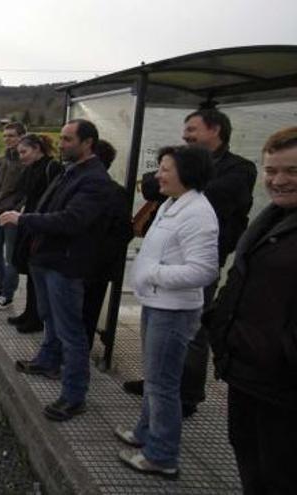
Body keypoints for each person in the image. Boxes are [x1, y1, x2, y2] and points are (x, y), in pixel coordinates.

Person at [124, 108, 257, 418]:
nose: (185, 136)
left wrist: (179, 178)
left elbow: (214, 195)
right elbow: (149, 185)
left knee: (193, 331)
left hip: (196, 260)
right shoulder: (184, 169)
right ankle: (160, 381)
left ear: (216, 130)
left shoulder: (240, 169)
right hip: (167, 263)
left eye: (192, 130)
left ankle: (187, 393)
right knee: (161, 333)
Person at [115, 146, 219, 478]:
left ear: (186, 172)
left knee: (162, 384)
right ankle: (145, 433)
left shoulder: (199, 213)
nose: (158, 175)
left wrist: (153, 274)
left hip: (173, 310)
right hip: (158, 303)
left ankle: (162, 455)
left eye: (165, 169)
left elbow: (204, 271)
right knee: (155, 377)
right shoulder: (173, 203)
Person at [0, 119, 110, 422]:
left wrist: (24, 221)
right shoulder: (70, 171)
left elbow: (71, 220)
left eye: (68, 139)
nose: (61, 145)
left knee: (71, 331)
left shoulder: (94, 179)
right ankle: (47, 360)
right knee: (49, 317)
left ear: (88, 143)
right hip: (46, 258)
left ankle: (74, 396)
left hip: (65, 263)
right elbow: (50, 209)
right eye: (61, 139)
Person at [208, 126, 297, 494]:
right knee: (252, 467)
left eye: (292, 171)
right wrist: (216, 322)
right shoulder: (272, 218)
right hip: (248, 375)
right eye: (271, 170)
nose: (278, 180)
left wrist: (283, 355)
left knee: (280, 477)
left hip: (283, 386)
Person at [8, 133, 63, 334]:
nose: (21, 156)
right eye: (19, 152)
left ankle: (37, 317)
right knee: (31, 272)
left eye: (24, 151)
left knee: (37, 272)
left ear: (37, 149)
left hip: (41, 224)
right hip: (29, 222)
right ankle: (30, 312)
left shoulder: (52, 167)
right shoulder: (30, 168)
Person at [82, 140, 132, 349]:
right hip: (86, 265)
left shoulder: (112, 192)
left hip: (92, 267)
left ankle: (76, 361)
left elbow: (123, 232)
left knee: (84, 317)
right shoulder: (80, 186)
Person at [0, 122, 27, 310]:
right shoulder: (1, 159)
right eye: (5, 135)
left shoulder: (25, 162)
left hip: (11, 216)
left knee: (11, 257)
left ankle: (7, 295)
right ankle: (0, 286)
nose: (7, 139)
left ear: (21, 137)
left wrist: (16, 210)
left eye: (12, 135)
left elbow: (26, 192)